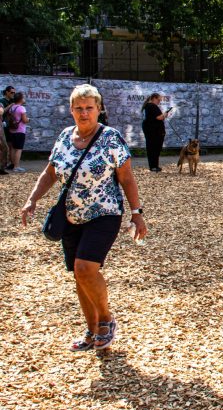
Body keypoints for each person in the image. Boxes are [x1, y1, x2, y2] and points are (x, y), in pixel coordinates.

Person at [20, 83, 146, 352]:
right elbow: (50, 172)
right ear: (71, 110)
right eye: (79, 108)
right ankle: (91, 330)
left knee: (85, 268)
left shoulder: (111, 138)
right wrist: (32, 199)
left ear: (99, 109)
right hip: (71, 215)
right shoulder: (66, 137)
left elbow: (126, 177)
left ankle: (106, 320)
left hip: (105, 213)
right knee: (80, 276)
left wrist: (137, 214)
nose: (84, 113)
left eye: (90, 108)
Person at [141, 93, 170, 172]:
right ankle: (154, 166)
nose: (159, 102)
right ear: (154, 98)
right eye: (158, 100)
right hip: (154, 131)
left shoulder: (148, 106)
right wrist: (164, 115)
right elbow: (159, 117)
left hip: (151, 130)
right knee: (154, 148)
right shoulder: (152, 106)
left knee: (152, 148)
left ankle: (154, 166)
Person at [7, 92, 30, 172]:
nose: (24, 99)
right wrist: (28, 120)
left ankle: (13, 164)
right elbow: (24, 120)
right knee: (19, 149)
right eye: (23, 97)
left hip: (12, 130)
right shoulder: (22, 108)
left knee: (13, 148)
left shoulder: (12, 107)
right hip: (20, 131)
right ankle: (16, 167)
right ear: (20, 99)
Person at [0, 85, 14, 173]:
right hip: (2, 125)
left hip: (7, 126)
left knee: (6, 146)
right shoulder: (2, 101)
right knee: (4, 146)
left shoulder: (12, 101)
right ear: (7, 92)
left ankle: (3, 167)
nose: (13, 94)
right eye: (12, 92)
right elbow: (2, 111)